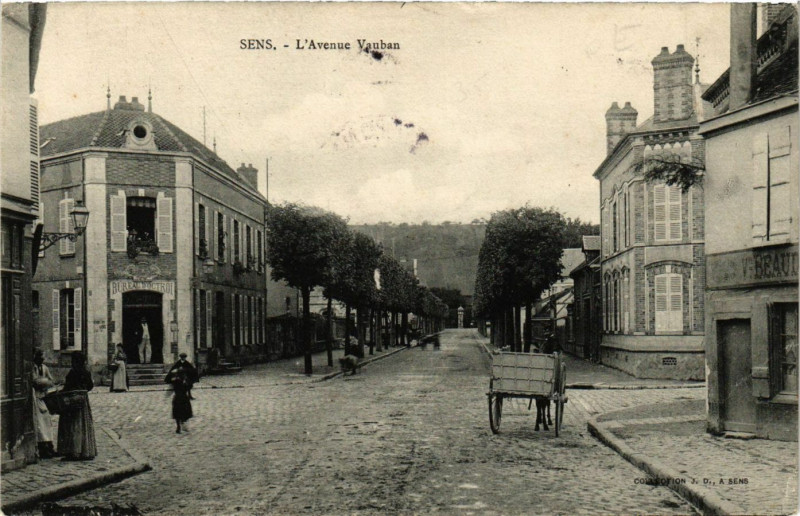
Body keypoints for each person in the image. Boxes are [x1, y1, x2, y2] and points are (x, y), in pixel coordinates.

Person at [57, 352, 97, 460]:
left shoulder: (72, 373)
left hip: (72, 400)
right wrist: (83, 391)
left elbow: (68, 387)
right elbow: (90, 385)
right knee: (83, 424)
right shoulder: (86, 372)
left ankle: (74, 451)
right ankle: (85, 450)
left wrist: (62, 392)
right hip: (83, 400)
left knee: (72, 425)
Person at [32, 349, 57, 458]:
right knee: (39, 425)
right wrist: (44, 382)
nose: (42, 359)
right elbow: (35, 382)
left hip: (43, 398)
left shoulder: (44, 368)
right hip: (35, 398)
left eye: (42, 357)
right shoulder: (32, 368)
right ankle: (42, 449)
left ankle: (49, 447)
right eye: (40, 356)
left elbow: (51, 381)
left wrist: (45, 382)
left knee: (47, 423)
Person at [165, 354, 197, 434]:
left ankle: (179, 426)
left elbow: (171, 385)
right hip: (183, 398)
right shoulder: (183, 381)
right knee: (184, 411)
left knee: (177, 412)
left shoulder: (176, 380)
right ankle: (181, 425)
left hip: (177, 398)